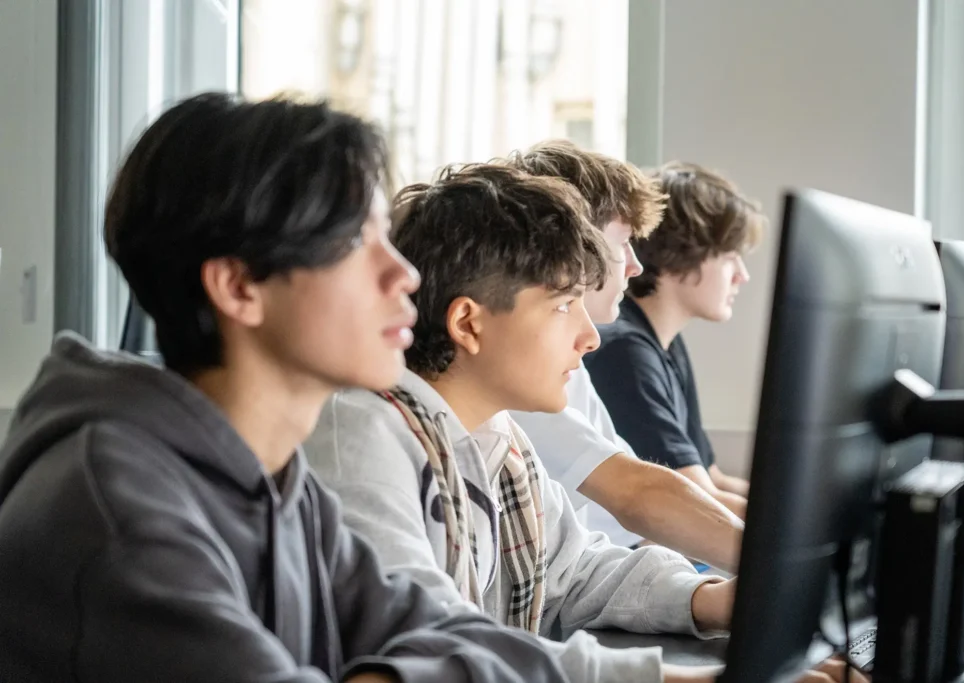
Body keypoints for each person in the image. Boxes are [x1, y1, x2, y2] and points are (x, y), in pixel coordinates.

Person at [0, 93, 570, 683]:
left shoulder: (277, 480)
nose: (406, 273)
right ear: (239, 287)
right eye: (354, 242)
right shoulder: (115, 511)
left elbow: (444, 631)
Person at [306, 161, 744, 683]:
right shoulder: (364, 437)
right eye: (564, 305)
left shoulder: (499, 439)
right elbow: (432, 642)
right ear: (468, 322)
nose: (591, 337)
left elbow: (575, 573)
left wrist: (709, 599)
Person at [504, 141, 743, 570]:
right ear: (579, 248)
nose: (635, 265)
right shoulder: (534, 365)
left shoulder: (574, 364)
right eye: (624, 242)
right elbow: (635, 494)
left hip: (617, 566)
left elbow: (640, 501)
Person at [585, 162, 766, 520]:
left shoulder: (665, 345)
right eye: (729, 258)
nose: (742, 276)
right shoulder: (625, 353)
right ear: (679, 255)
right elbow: (698, 498)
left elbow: (711, 478)